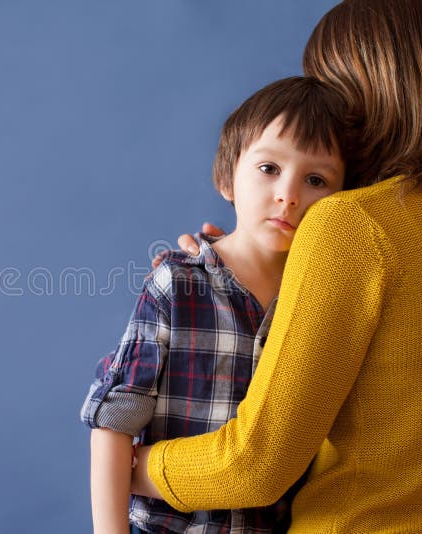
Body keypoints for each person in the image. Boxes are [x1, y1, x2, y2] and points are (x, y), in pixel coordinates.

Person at [130, 1, 422, 532]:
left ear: (358, 93)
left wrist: (131, 463)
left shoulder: (350, 229)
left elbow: (257, 466)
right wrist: (242, 266)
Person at [81, 76, 347, 534]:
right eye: (269, 169)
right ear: (227, 177)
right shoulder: (178, 283)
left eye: (316, 179)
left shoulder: (321, 299)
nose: (289, 195)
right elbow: (115, 417)